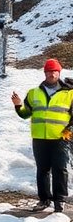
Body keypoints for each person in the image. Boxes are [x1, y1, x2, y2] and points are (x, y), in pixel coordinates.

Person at [11, 58, 73, 212]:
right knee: (42, 169)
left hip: (60, 138)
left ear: (59, 73)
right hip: (39, 139)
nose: (52, 74)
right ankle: (44, 199)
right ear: (44, 73)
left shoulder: (70, 93)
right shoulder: (33, 93)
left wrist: (69, 130)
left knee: (60, 169)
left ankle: (60, 200)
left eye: (54, 71)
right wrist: (18, 106)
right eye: (49, 71)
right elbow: (26, 114)